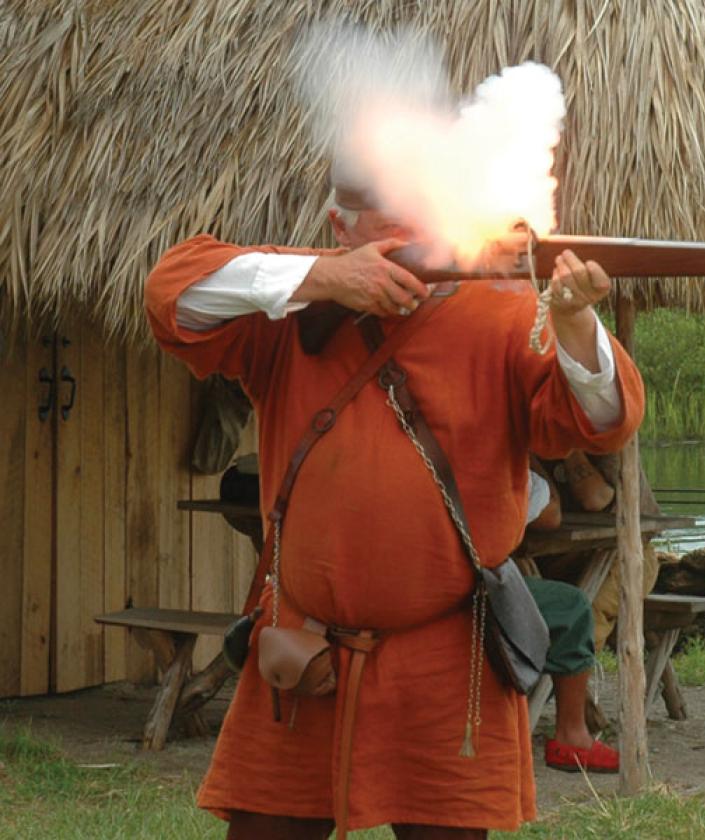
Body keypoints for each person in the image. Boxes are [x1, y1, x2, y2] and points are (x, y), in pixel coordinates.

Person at [144, 169, 644, 838]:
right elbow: (169, 294)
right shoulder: (292, 304)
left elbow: (603, 419)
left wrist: (576, 318)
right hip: (304, 647)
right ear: (340, 229)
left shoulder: (501, 310)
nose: (415, 241)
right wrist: (327, 280)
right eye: (390, 229)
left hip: (447, 659)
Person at [521, 470, 619, 773]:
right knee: (572, 607)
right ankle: (572, 734)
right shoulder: (483, 453)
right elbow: (549, 514)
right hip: (459, 581)